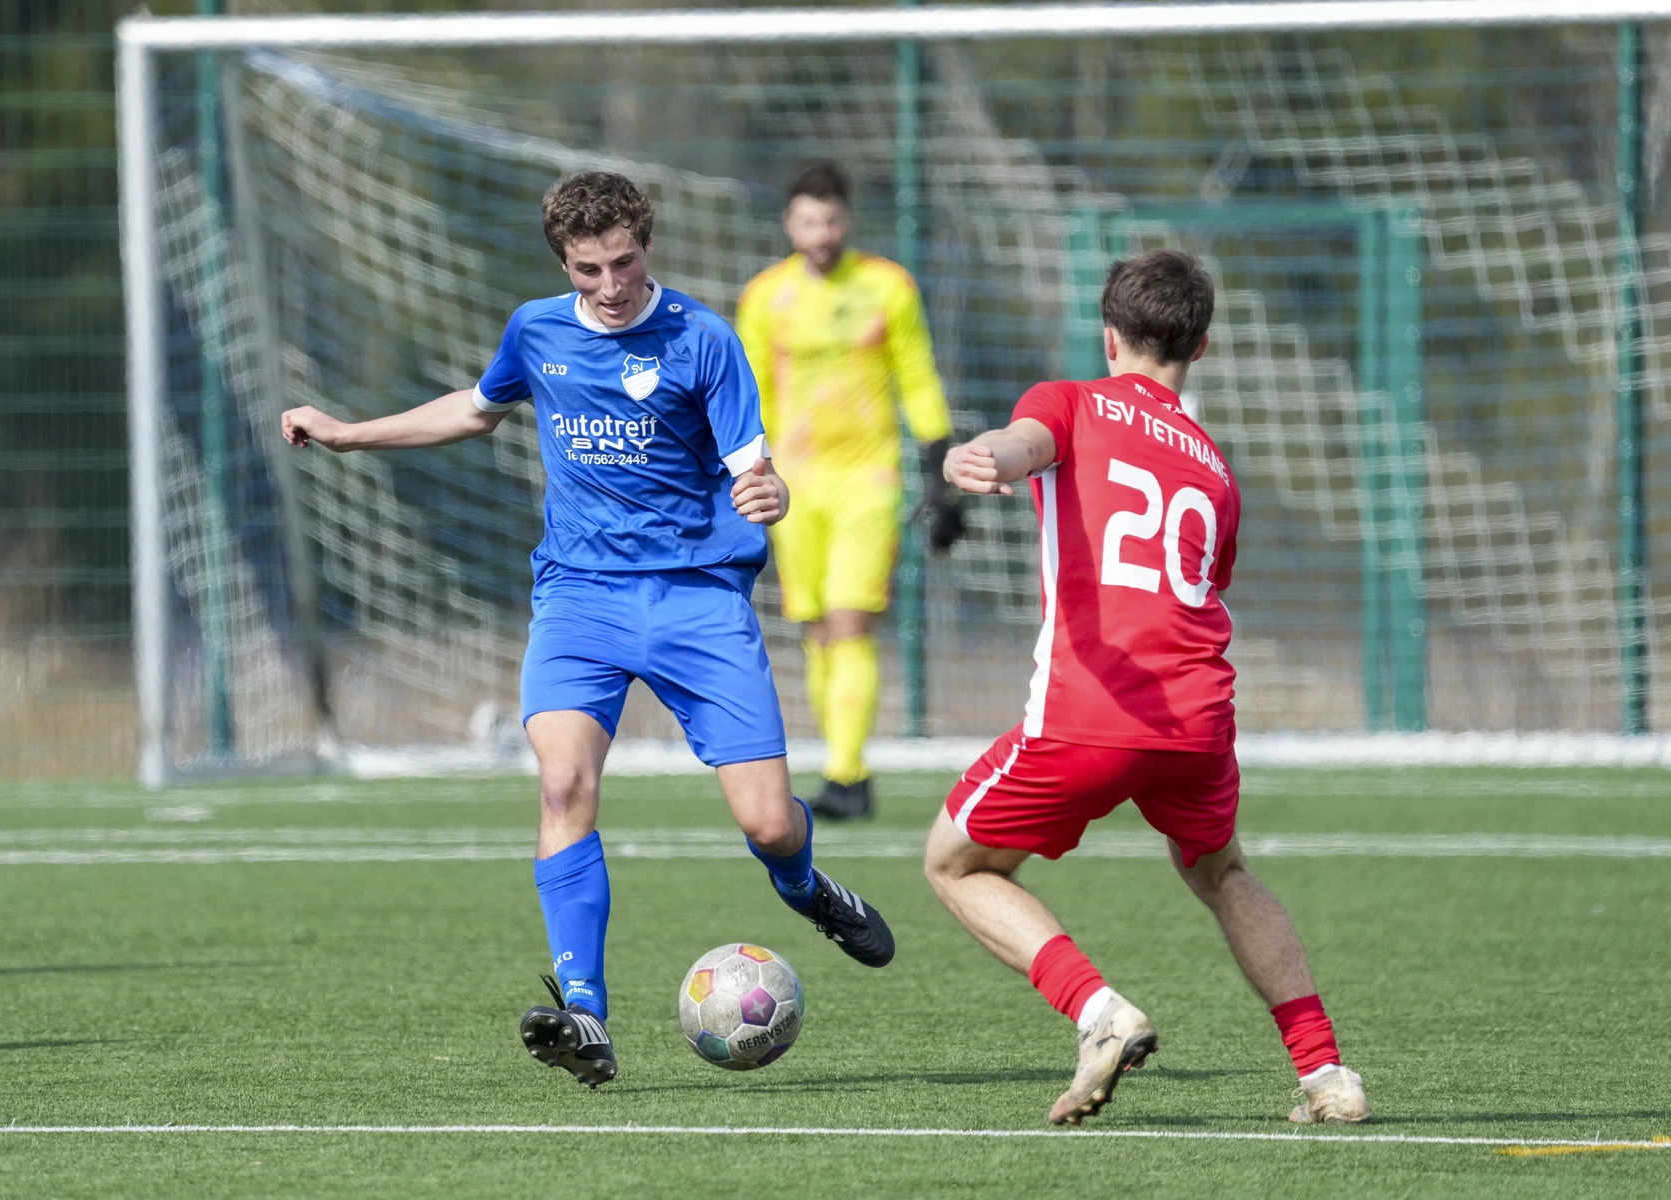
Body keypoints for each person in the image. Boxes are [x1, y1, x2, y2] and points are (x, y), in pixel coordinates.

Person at [282, 171, 895, 1091]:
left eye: (624, 261)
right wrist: (347, 434)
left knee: (769, 825)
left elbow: (754, 467)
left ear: (646, 244)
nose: (610, 284)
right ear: (563, 264)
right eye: (588, 269)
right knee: (563, 781)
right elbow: (476, 408)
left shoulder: (704, 339)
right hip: (581, 600)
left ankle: (808, 887)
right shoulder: (537, 329)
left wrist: (769, 494)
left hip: (696, 600)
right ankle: (584, 1015)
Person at [923, 250, 1369, 1126]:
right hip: (1199, 719)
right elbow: (1205, 582)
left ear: (1109, 333)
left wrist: (987, 455)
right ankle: (1326, 1074)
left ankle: (1098, 1011)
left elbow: (1028, 443)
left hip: (1092, 710)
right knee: (1223, 871)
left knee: (954, 862)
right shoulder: (1214, 467)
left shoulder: (1070, 399)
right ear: (1200, 348)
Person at [736, 163, 963, 821]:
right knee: (813, 630)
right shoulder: (764, 297)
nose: (821, 233)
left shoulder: (887, 286)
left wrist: (939, 468)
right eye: (808, 221)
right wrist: (747, 471)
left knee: (848, 620)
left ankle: (847, 775)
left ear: (847, 219)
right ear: (789, 223)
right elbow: (750, 392)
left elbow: (916, 375)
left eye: (831, 220)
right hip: (792, 485)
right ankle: (841, 765)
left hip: (868, 479)